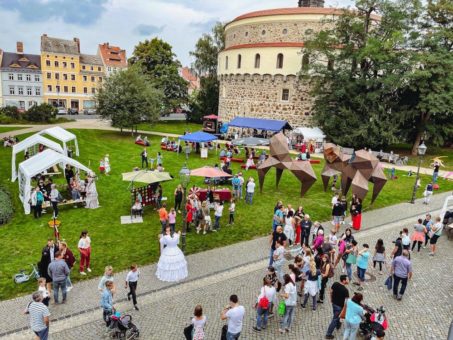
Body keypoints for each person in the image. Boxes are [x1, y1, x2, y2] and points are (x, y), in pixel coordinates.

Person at [325, 274, 350, 339]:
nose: (348, 280)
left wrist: (331, 299)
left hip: (334, 304)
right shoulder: (345, 290)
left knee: (336, 316)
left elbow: (331, 292)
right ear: (344, 281)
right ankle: (328, 334)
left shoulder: (335, 284)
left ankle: (338, 325)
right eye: (347, 279)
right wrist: (345, 309)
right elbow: (346, 302)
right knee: (335, 319)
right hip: (339, 307)